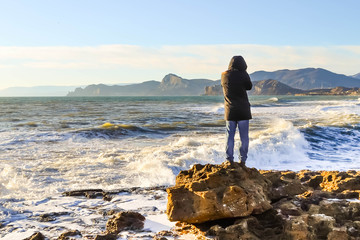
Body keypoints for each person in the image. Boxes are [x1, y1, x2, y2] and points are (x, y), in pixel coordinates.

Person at [221, 55, 252, 166]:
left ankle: (229, 160)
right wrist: (244, 74)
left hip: (230, 111)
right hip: (243, 110)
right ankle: (242, 161)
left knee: (229, 136)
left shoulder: (224, 75)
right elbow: (249, 87)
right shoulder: (243, 74)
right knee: (244, 138)